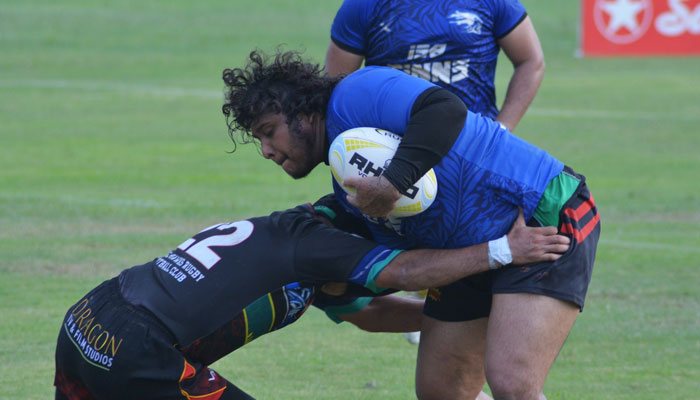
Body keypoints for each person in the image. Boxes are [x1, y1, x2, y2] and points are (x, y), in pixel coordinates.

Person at [221, 50, 600, 400]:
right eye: (259, 141)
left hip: (539, 211)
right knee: (441, 390)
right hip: (476, 255)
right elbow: (382, 298)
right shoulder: (346, 184)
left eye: (269, 131)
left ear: (301, 112)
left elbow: (444, 109)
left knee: (512, 383)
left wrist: (393, 183)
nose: (267, 150)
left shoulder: (355, 93)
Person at [54, 199, 569, 400]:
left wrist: (464, 324)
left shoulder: (302, 256)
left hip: (85, 320)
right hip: (135, 343)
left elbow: (370, 314)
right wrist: (502, 251)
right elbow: (408, 270)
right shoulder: (321, 247)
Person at [324, 0, 545, 132]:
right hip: (392, 151)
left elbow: (530, 61)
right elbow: (335, 86)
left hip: (475, 148)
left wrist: (501, 130)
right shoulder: (365, 5)